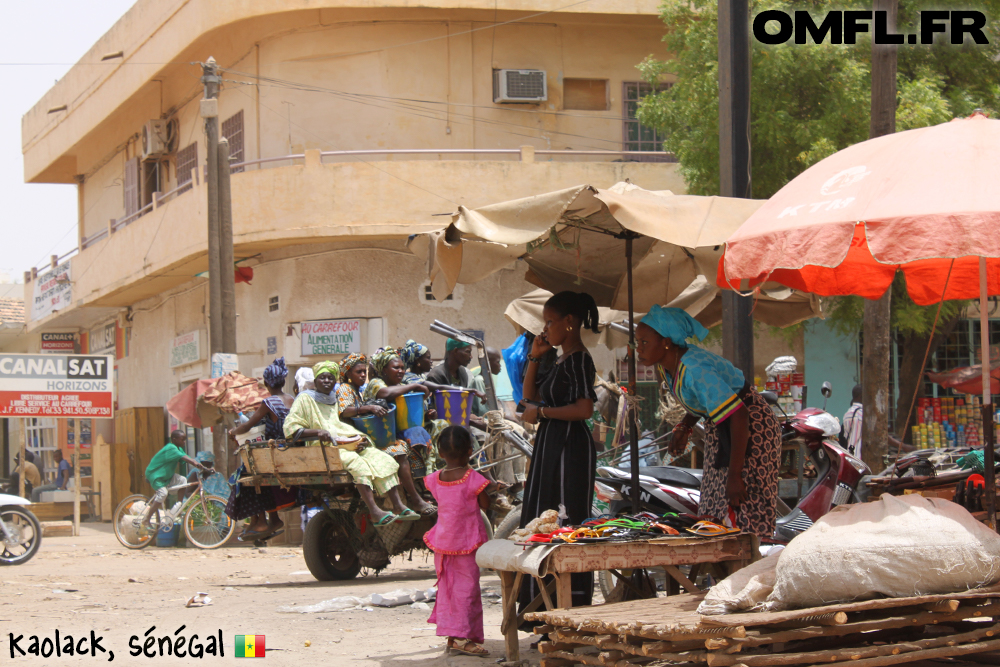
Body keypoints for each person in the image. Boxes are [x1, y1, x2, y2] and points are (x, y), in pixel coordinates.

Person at [635, 305, 781, 540]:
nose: (638, 350)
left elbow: (739, 413)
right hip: (723, 426)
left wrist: (735, 475)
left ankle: (748, 562)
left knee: (740, 502)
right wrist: (685, 425)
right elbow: (706, 400)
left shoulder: (694, 369)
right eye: (637, 343)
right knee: (714, 506)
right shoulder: (668, 367)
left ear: (666, 342)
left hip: (749, 427)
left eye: (644, 342)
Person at [519, 291, 600, 612]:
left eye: (550, 322)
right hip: (550, 445)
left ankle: (569, 606)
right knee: (543, 516)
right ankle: (541, 608)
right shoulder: (558, 359)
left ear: (569, 322)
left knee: (565, 521)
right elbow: (531, 397)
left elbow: (584, 408)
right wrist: (536, 356)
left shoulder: (580, 359)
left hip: (570, 448)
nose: (545, 329)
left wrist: (542, 415)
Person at [283, 360, 412, 525]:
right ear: (315, 381)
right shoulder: (305, 399)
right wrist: (318, 432)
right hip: (321, 448)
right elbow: (291, 428)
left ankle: (398, 505)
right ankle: (374, 511)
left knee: (382, 458)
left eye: (330, 378)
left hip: (344, 444)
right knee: (358, 464)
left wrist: (360, 439)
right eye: (322, 377)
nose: (327, 381)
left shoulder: (333, 399)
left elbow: (339, 426)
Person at [424, 425, 495, 658]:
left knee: (449, 591)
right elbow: (485, 505)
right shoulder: (474, 479)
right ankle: (462, 639)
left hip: (443, 544)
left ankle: (454, 636)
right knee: (467, 591)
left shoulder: (434, 479)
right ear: (470, 451)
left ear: (440, 453)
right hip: (466, 544)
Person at [360, 349, 439, 515]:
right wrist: (417, 385)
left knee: (439, 428)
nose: (401, 371)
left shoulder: (400, 386)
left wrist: (427, 413)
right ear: (383, 371)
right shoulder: (376, 383)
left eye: (402, 367)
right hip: (379, 436)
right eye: (396, 368)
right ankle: (416, 497)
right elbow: (385, 393)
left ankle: (431, 483)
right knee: (404, 447)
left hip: (395, 431)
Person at [227, 357, 298, 539]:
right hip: (291, 450)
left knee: (244, 476)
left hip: (275, 452)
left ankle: (259, 522)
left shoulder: (269, 403)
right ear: (283, 381)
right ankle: (268, 520)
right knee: (256, 472)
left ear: (266, 383)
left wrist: (233, 431)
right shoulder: (291, 399)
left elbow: (247, 426)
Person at [138, 430, 214, 531]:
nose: (184, 442)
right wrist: (198, 465)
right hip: (156, 475)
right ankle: (146, 519)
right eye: (182, 439)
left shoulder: (178, 448)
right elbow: (188, 459)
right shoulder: (171, 448)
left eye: (185, 440)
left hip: (166, 476)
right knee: (163, 494)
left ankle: (178, 506)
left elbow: (186, 457)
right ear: (174, 439)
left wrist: (205, 468)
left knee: (183, 480)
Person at [426, 339, 490, 431]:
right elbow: (434, 410)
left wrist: (471, 416)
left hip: (460, 423)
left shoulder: (463, 372)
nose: (471, 356)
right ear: (455, 351)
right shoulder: (436, 375)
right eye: (468, 352)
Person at [842, 384, 864, 458]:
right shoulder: (863, 414)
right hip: (861, 458)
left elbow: (845, 436)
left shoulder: (847, 414)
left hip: (850, 457)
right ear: (861, 396)